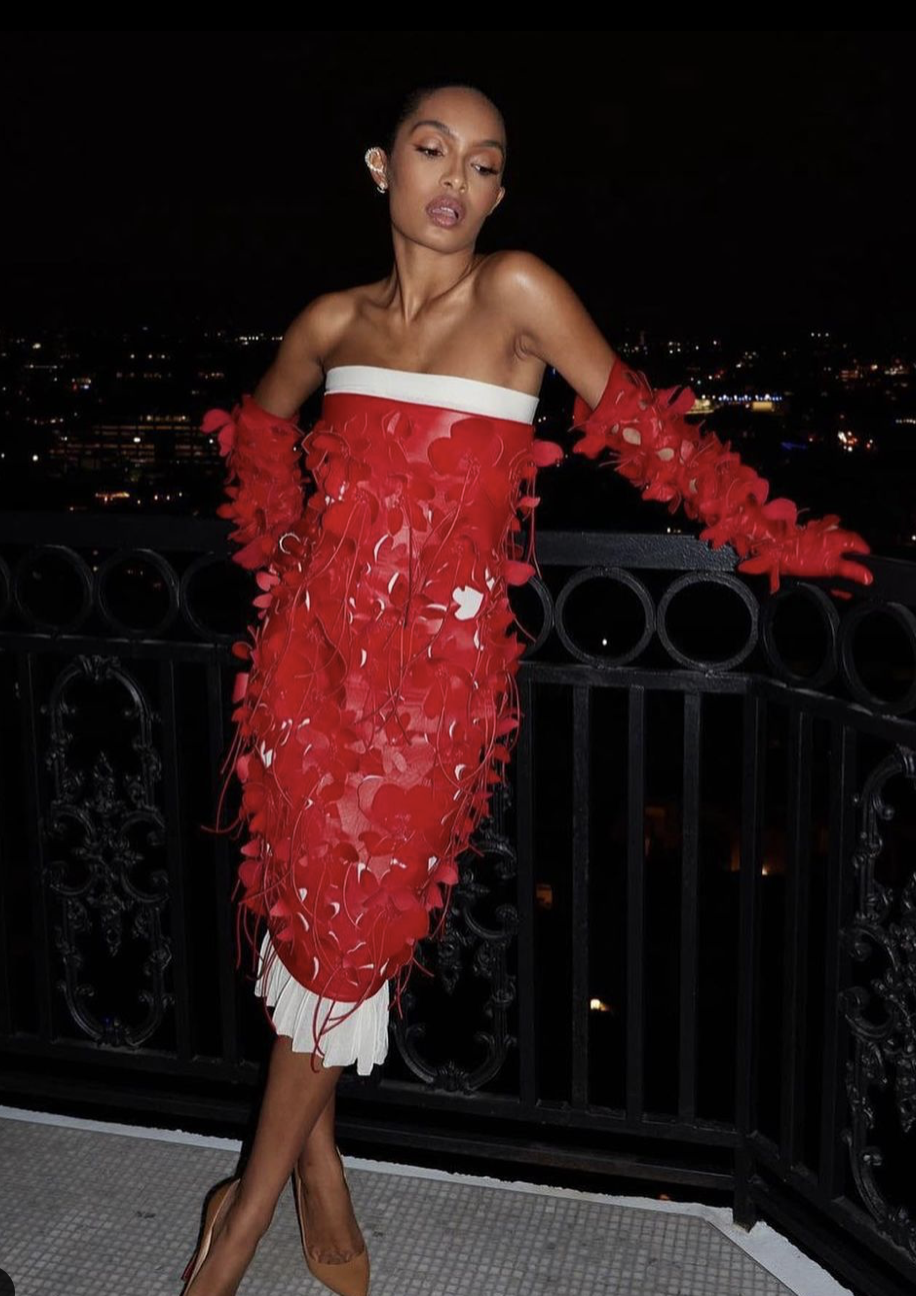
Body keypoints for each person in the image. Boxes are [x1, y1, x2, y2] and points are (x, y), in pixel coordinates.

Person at [183, 80, 873, 1296]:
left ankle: (234, 1226)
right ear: (381, 167)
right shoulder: (331, 321)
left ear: (500, 192)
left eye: (485, 162)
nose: (457, 177)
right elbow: (257, 430)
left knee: (353, 935)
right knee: (305, 920)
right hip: (306, 681)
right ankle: (316, 1170)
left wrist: (782, 540)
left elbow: (646, 434)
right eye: (432, 149)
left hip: (431, 705)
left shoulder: (515, 295)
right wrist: (290, 561)